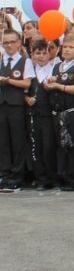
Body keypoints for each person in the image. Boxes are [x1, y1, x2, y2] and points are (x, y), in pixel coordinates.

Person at [47, 32, 74, 191]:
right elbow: (50, 84)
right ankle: (65, 177)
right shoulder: (57, 66)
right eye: (64, 46)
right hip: (59, 111)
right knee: (63, 145)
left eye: (71, 47)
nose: (66, 50)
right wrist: (50, 83)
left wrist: (59, 86)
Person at [0, 29, 34, 190]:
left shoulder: (25, 61)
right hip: (2, 105)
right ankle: (4, 173)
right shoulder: (1, 60)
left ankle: (18, 174)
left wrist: (8, 81)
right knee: (3, 141)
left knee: (18, 140)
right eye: (5, 42)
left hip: (17, 105)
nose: (9, 45)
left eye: (12, 42)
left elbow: (27, 83)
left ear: (19, 42)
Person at [25, 39, 56, 190]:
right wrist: (27, 98)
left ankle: (52, 176)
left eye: (45, 53)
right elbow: (23, 90)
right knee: (35, 146)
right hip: (33, 114)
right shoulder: (30, 70)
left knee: (49, 146)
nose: (41, 56)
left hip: (49, 113)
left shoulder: (54, 69)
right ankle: (40, 178)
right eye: (38, 53)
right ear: (33, 54)